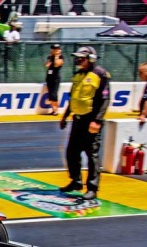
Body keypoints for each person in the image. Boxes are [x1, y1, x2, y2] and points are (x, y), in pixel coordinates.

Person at [59, 46, 111, 201]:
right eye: (77, 58)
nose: (78, 60)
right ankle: (76, 181)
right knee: (71, 152)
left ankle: (92, 188)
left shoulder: (100, 74)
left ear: (91, 59)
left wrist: (97, 120)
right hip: (78, 120)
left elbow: (105, 100)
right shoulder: (78, 75)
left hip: (91, 120)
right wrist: (65, 116)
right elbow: (73, 98)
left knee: (91, 154)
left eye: (81, 58)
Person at [45, 43, 64, 115]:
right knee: (50, 95)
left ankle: (56, 110)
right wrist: (51, 57)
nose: (55, 50)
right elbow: (47, 65)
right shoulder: (50, 57)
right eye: (54, 49)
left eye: (56, 49)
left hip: (56, 78)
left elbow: (56, 64)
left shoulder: (61, 57)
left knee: (54, 94)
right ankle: (53, 109)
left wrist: (56, 56)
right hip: (49, 77)